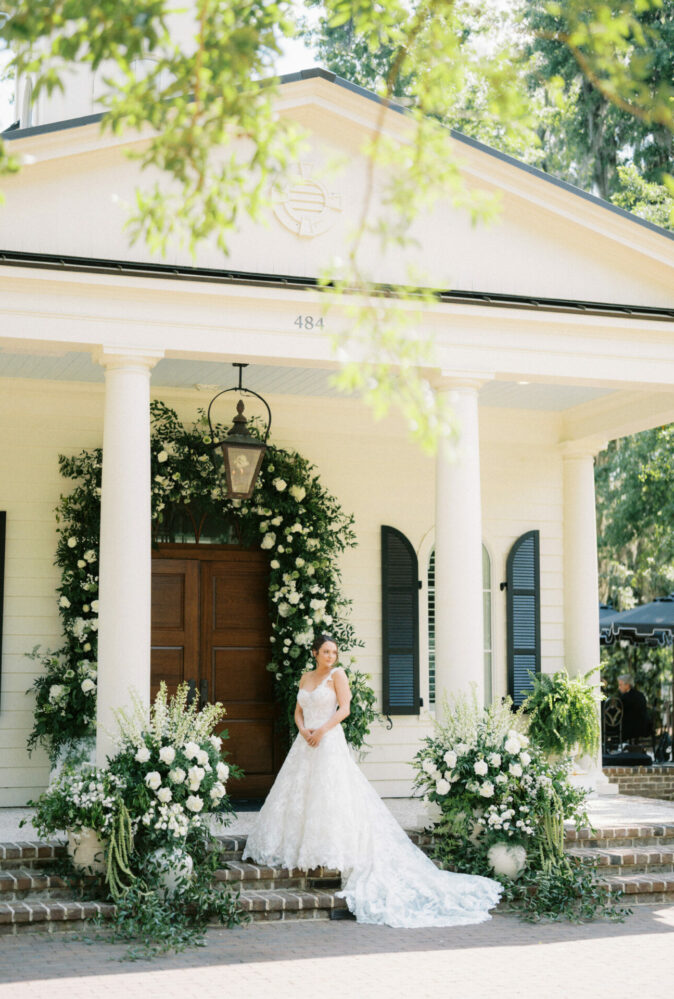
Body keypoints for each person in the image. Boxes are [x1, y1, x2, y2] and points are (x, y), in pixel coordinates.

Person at [242, 633, 502, 927]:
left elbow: (345, 708)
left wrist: (321, 731)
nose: (331, 656)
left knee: (330, 793)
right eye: (326, 652)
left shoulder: (338, 675)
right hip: (306, 742)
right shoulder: (305, 677)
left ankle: (330, 849)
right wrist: (303, 730)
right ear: (315, 653)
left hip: (327, 740)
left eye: (334, 652)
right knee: (299, 794)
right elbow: (298, 711)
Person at [617, 673, 651, 743]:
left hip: (631, 729)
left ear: (627, 685)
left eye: (620, 685)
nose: (619, 687)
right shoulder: (640, 695)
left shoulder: (624, 698)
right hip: (644, 726)